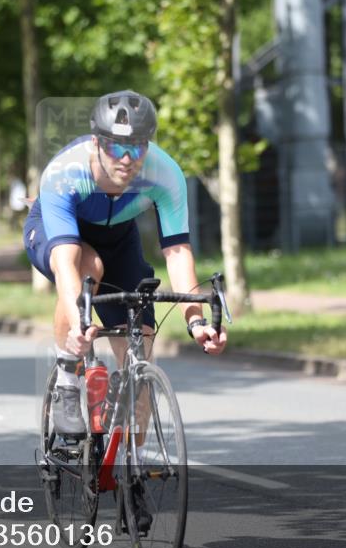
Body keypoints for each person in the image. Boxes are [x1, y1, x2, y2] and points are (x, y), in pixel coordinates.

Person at [23, 90, 227, 437]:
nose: (128, 158)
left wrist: (197, 322)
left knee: (140, 354)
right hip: (58, 235)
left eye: (138, 146)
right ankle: (68, 381)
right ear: (96, 142)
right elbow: (67, 263)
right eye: (117, 147)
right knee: (90, 267)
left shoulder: (164, 175)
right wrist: (79, 325)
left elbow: (177, 253)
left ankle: (127, 470)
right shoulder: (64, 173)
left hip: (119, 238)